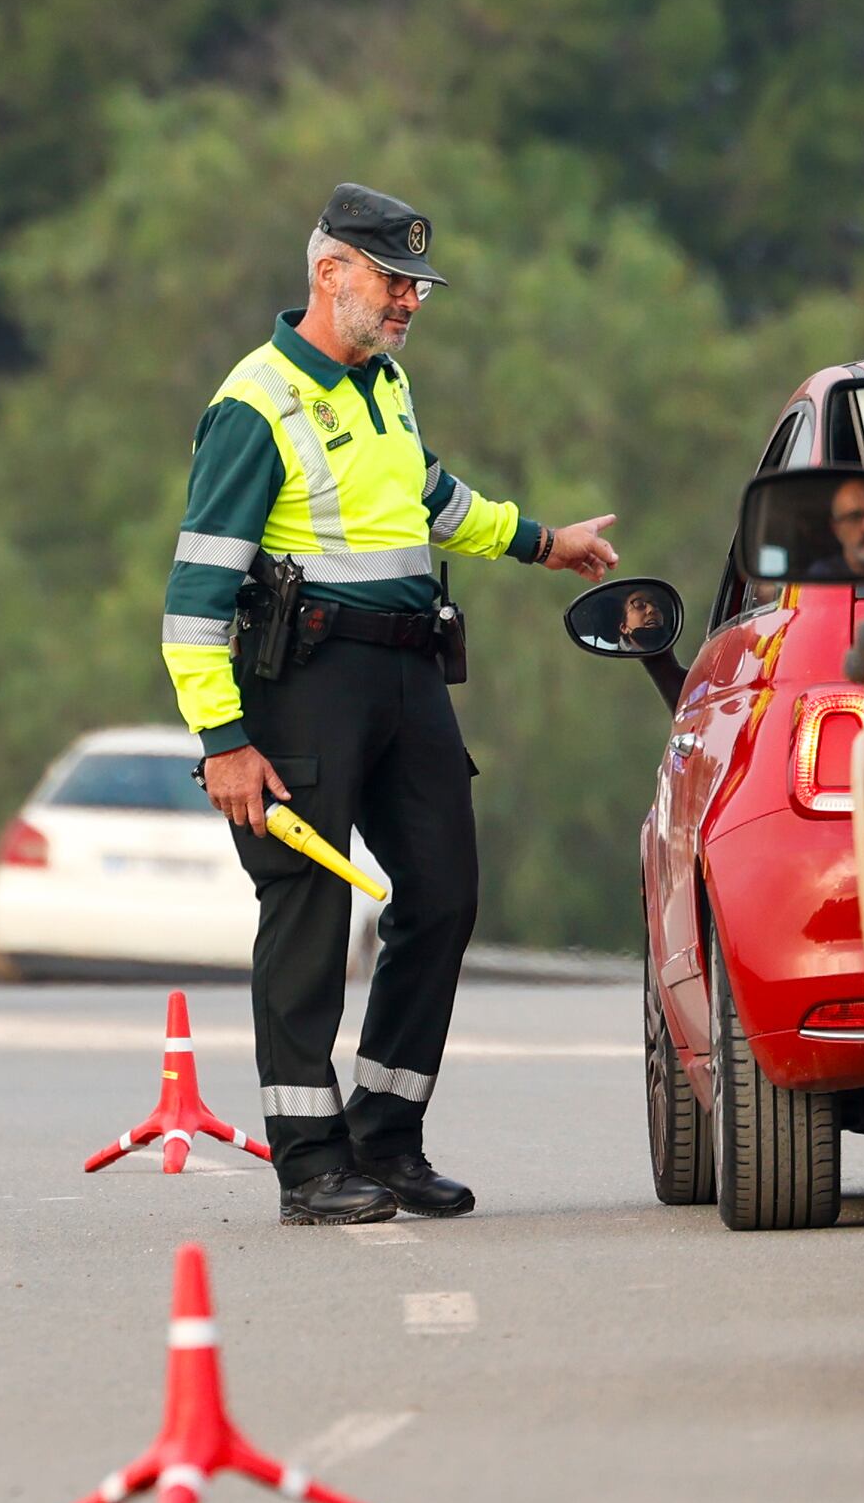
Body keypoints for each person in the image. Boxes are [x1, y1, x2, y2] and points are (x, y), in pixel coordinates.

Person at [163, 184, 622, 1224]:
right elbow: (192, 599)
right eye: (393, 279)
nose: (410, 299)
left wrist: (540, 542)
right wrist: (225, 743)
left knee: (442, 893)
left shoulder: (386, 382)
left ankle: (385, 1132)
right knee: (308, 911)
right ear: (330, 273)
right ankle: (309, 1160)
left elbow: (427, 497)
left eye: (417, 283)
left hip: (408, 676)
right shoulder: (255, 403)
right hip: (306, 685)